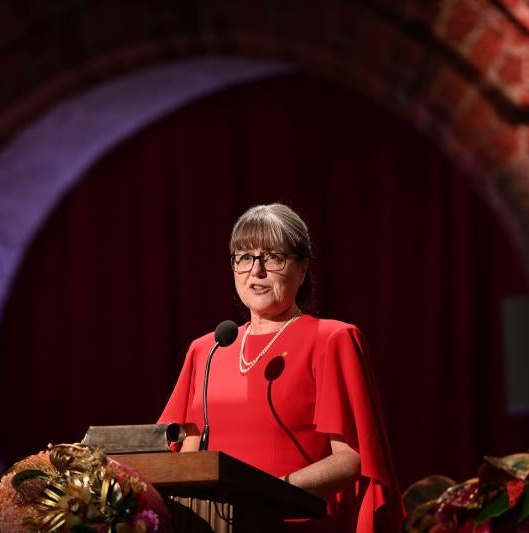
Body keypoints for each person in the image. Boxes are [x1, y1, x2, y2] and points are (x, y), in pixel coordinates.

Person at [158, 203, 403, 532]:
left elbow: (351, 458)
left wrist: (268, 493)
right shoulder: (209, 349)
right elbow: (187, 455)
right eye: (244, 257)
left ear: (302, 270)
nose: (255, 271)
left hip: (293, 524)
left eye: (273, 257)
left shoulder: (331, 339)